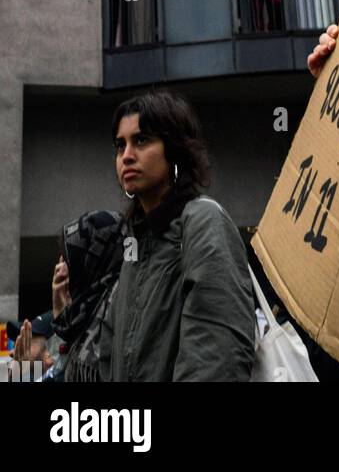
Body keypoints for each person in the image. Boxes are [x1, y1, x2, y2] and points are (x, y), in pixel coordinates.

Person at [99, 91, 255, 382]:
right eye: (120, 146)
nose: (127, 156)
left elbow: (217, 360)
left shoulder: (202, 220)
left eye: (142, 140)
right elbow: (109, 356)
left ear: (174, 149)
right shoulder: (134, 248)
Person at [51, 210, 125, 383]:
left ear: (94, 258)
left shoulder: (119, 306)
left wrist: (21, 375)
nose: (60, 269)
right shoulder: (85, 314)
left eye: (69, 260)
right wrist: (61, 314)